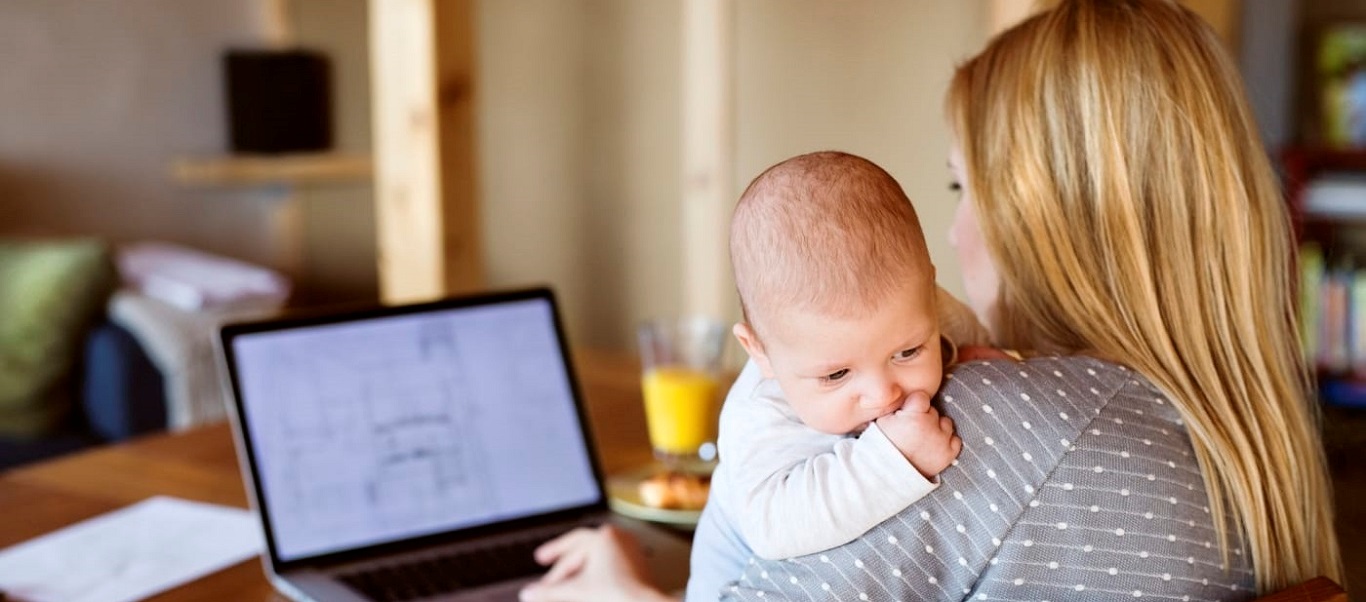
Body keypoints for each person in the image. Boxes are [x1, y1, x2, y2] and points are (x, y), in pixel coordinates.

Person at [518, 1, 1343, 600]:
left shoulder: (989, 429)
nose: (953, 236)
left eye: (964, 186)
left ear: (1045, 217)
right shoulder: (1251, 440)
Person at [686, 151, 997, 598]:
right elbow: (775, 527)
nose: (881, 393)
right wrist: (895, 458)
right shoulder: (759, 413)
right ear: (760, 352)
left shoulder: (920, 308)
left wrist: (992, 358)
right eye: (836, 376)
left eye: (907, 351)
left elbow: (970, 338)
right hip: (738, 585)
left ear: (930, 293)